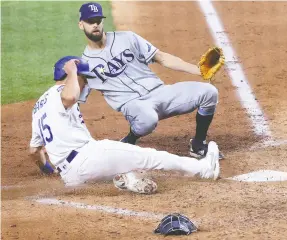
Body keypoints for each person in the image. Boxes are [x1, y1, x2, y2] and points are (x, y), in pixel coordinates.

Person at [29, 56, 220, 194]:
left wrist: (48, 170)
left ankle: (127, 177)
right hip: (88, 157)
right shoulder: (62, 92)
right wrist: (72, 72)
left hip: (71, 177)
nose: (86, 83)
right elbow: (70, 96)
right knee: (151, 156)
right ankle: (204, 170)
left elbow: (34, 150)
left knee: (125, 161)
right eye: (84, 78)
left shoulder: (39, 107)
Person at [77, 2, 224, 159]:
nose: (95, 25)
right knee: (148, 118)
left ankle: (198, 144)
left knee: (209, 92)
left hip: (161, 93)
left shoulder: (127, 38)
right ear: (81, 25)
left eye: (98, 20)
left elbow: (161, 57)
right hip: (134, 105)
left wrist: (198, 70)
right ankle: (130, 140)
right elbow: (73, 98)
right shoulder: (84, 65)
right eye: (90, 22)